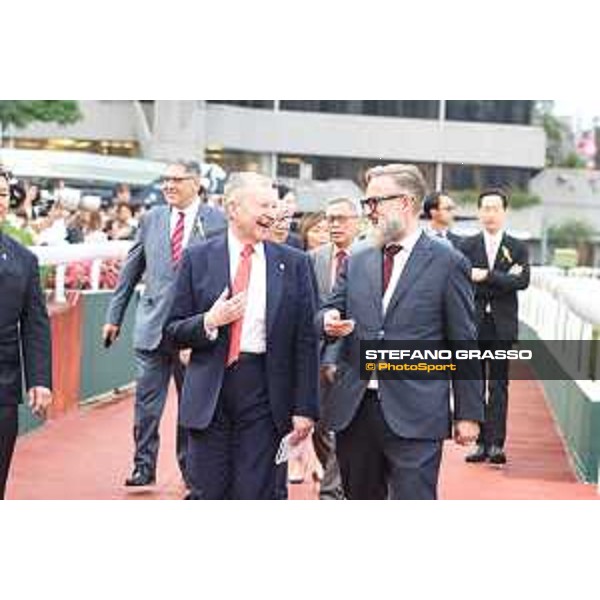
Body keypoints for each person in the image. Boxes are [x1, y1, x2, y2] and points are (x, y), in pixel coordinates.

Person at [319, 163, 484, 500]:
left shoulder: (447, 262)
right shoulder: (359, 257)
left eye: (375, 202)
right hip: (356, 408)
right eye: (367, 203)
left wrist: (468, 414)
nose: (369, 211)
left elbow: (463, 341)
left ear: (406, 202)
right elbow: (327, 309)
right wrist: (327, 319)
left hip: (417, 411)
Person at [164, 172, 320, 500]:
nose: (273, 214)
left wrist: (305, 407)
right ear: (232, 208)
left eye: (275, 206)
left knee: (257, 493)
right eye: (264, 205)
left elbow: (306, 342)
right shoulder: (198, 257)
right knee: (207, 492)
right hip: (210, 392)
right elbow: (172, 330)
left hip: (266, 392)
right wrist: (209, 320)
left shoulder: (294, 264)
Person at [103, 160, 227, 488]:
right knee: (146, 407)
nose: (169, 186)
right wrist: (113, 317)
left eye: (177, 179)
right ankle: (143, 466)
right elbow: (130, 269)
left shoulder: (217, 221)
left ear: (196, 182)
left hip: (194, 332)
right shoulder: (151, 219)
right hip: (151, 328)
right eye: (166, 180)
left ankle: (191, 471)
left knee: (192, 406)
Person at [460, 188, 530, 465]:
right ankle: (479, 442)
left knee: (499, 385)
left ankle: (496, 444)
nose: (490, 214)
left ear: (504, 212)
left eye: (495, 208)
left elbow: (521, 282)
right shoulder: (466, 246)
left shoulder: (518, 246)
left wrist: (486, 276)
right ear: (479, 212)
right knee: (474, 384)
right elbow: (464, 280)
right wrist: (502, 279)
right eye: (485, 208)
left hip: (502, 327)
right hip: (473, 326)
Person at [0, 169, 53, 499]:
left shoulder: (24, 259)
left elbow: (35, 324)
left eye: (2, 194)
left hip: (3, 387)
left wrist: (40, 380)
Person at [309, 197, 362, 499]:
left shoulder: (372, 257)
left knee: (344, 427)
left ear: (359, 222)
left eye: (342, 218)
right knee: (318, 425)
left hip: (352, 357)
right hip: (315, 355)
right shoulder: (313, 258)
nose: (335, 225)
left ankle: (332, 492)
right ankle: (342, 475)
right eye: (330, 219)